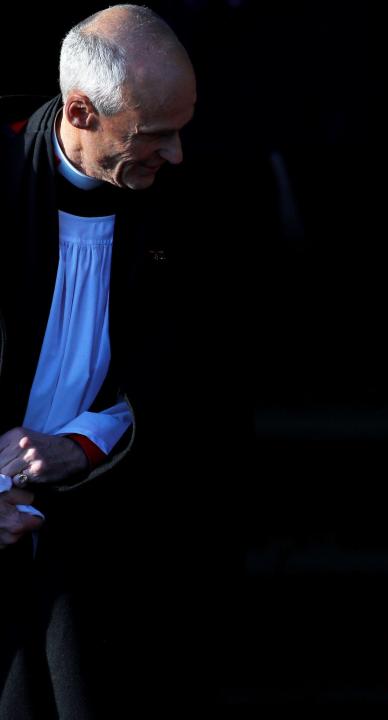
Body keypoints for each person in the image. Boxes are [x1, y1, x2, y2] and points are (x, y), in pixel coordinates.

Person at [0, 5, 197, 716]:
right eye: (154, 134)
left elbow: (194, 377)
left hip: (102, 525)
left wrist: (87, 443)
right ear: (81, 111)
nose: (175, 155)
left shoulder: (188, 206)